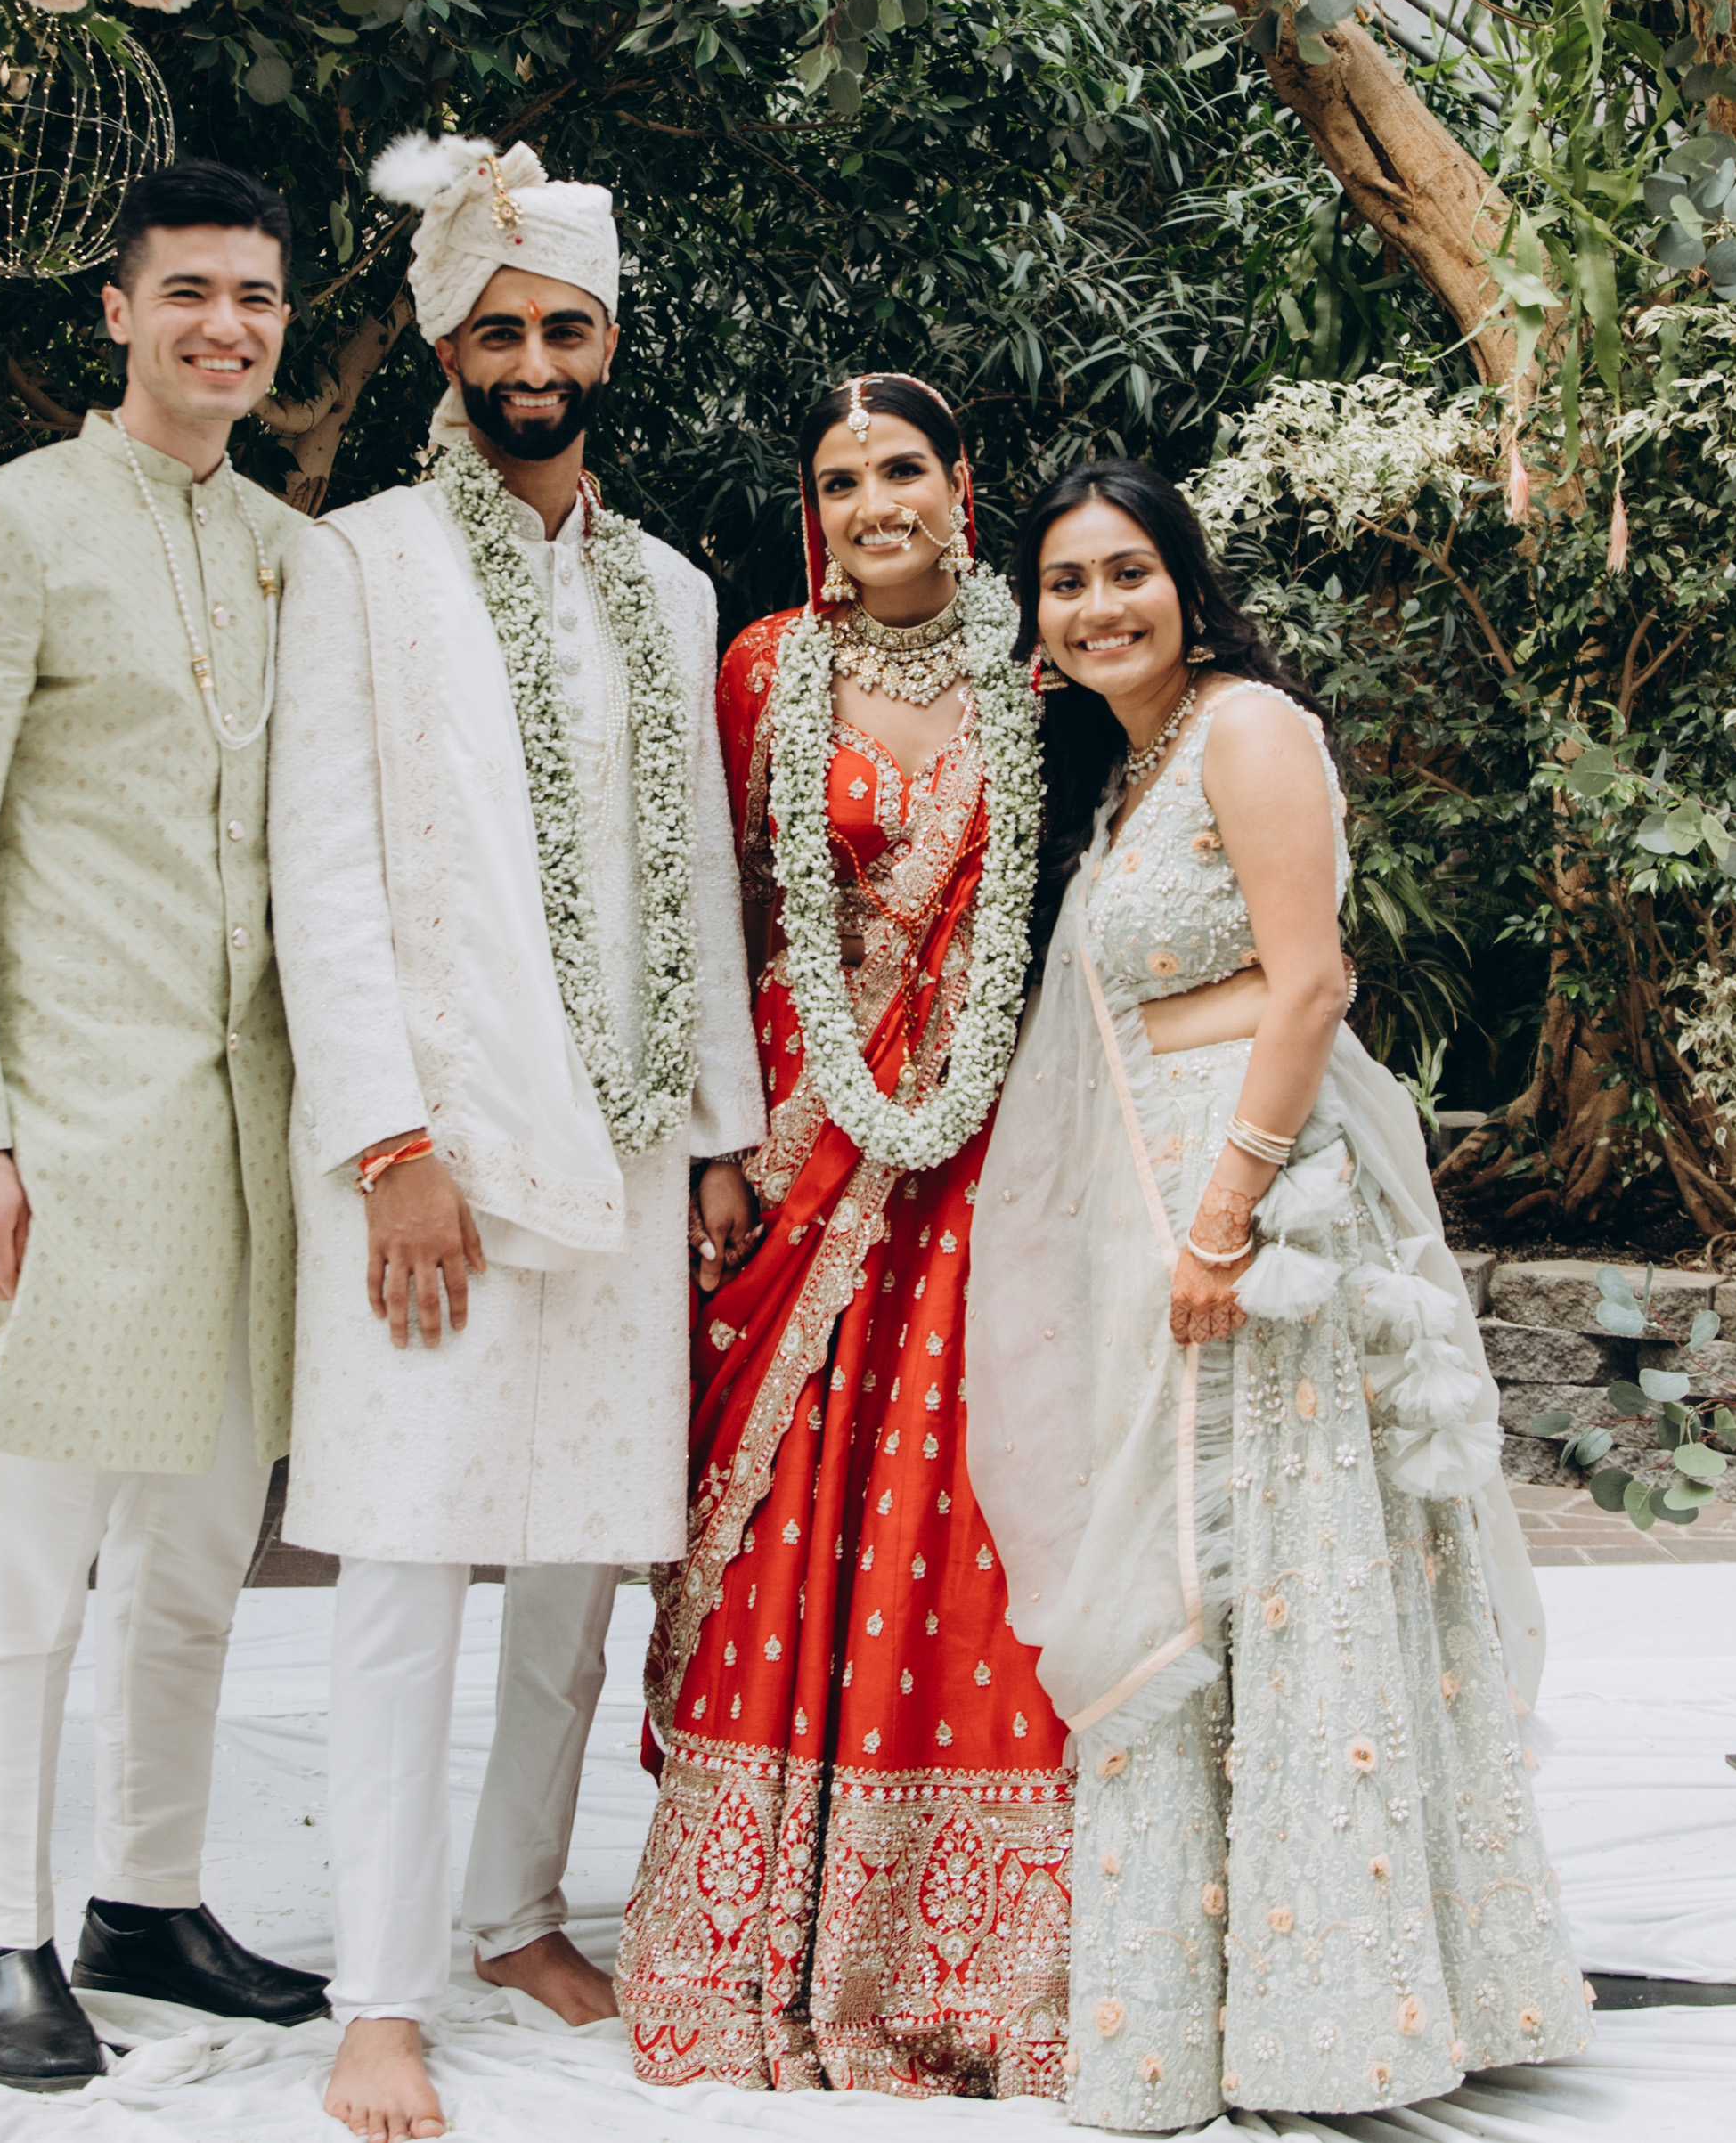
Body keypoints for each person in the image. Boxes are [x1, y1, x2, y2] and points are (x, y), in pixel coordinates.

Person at [964, 462, 1586, 2130]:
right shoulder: (1131, 768)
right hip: (1163, 1206)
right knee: (1205, 1576)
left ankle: (1334, 2011)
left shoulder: (1247, 728)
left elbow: (1309, 983)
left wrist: (1227, 1215)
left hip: (1262, 1215)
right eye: (1065, 583)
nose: (1098, 605)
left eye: (1127, 571)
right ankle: (1194, 2001)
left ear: (1187, 582)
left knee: (1283, 1573)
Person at [273, 134, 770, 2143]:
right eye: (500, 334)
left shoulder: (672, 587)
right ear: (446, 350)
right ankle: (378, 1995)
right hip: (436, 1156)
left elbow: (702, 880)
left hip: (632, 1149)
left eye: (566, 329)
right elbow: (324, 869)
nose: (535, 363)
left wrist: (721, 1135)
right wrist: (386, 1141)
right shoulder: (360, 561)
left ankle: (511, 1915)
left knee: (580, 1551)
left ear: (609, 345)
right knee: (405, 1558)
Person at [0, 157, 333, 2090]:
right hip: (69, 1126)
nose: (227, 325)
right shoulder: (6, 527)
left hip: (253, 1135)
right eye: (191, 292)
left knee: (205, 1540)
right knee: (29, 1542)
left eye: (258, 297)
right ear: (120, 312)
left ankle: (151, 1899)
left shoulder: (296, 554)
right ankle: (2, 1933)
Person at [617, 371, 1073, 2099]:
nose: (874, 502)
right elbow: (706, 915)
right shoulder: (761, 670)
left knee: (965, 1508)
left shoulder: (1047, 672)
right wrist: (714, 1145)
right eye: (839, 479)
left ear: (963, 482)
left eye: (901, 469)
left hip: (988, 1152)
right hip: (795, 1148)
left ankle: (961, 1952)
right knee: (783, 1514)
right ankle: (755, 1932)